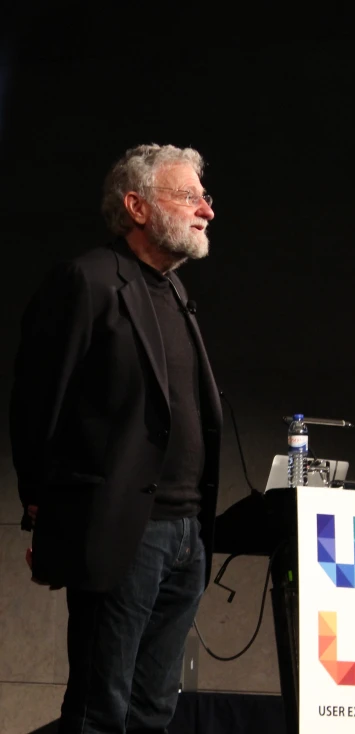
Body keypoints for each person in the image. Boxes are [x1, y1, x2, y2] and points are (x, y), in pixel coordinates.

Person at [10, 143, 222, 733]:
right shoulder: (88, 281)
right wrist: (44, 508)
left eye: (206, 198)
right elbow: (36, 404)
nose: (206, 210)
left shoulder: (177, 293)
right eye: (190, 197)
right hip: (124, 531)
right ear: (137, 205)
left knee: (154, 709)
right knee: (99, 710)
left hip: (187, 535)